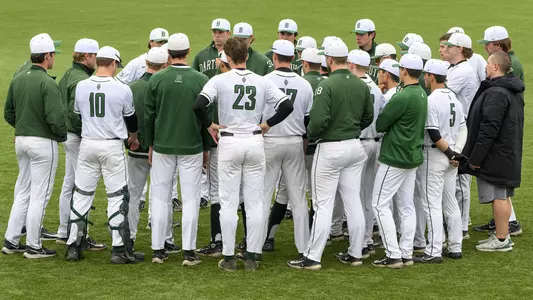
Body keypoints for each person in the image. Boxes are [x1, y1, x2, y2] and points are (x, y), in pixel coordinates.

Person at [193, 37, 293, 272]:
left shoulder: (219, 80)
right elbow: (287, 106)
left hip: (229, 142)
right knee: (255, 203)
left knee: (228, 203)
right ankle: (251, 256)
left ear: (227, 58)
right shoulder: (262, 81)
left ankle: (228, 257)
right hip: (255, 141)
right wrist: (267, 124)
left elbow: (198, 105)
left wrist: (210, 124)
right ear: (247, 56)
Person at [288, 39, 373, 270]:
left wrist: (314, 135)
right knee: (353, 202)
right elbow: (368, 116)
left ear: (328, 60)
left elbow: (317, 121)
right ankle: (356, 252)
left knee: (323, 204)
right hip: (355, 147)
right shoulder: (361, 84)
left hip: (330, 148)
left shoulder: (325, 86)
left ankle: (312, 257)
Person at [65, 46, 140, 264]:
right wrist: (133, 136)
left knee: (82, 194)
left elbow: (77, 115)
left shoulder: (81, 86)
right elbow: (131, 119)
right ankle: (118, 249)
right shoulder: (122, 88)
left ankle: (73, 246)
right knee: (117, 195)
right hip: (112, 146)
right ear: (114, 63)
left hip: (87, 144)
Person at [145, 33, 210, 266]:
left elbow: (149, 116)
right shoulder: (201, 79)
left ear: (168, 54)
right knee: (191, 198)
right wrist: (206, 147)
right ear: (188, 51)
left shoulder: (157, 79)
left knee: (160, 197)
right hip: (192, 146)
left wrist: (150, 144)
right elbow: (206, 117)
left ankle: (157, 250)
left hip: (162, 145)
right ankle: (189, 252)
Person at [2, 34, 67, 258]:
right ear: (47, 55)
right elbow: (57, 118)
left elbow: (8, 112)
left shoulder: (19, 78)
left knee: (23, 191)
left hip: (21, 141)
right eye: (53, 55)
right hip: (42, 143)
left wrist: (22, 126)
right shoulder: (47, 82)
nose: (54, 59)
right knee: (40, 194)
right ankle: (33, 246)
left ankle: (11, 241)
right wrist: (60, 135)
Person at [261, 47, 324, 252]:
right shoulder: (305, 84)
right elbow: (307, 121)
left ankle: (257, 244)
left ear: (275, 56)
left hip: (269, 141)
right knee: (298, 199)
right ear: (294, 59)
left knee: (263, 196)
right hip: (295, 142)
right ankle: (303, 247)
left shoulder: (265, 80)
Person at [461, 52, 524, 252]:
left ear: (496, 67)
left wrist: (476, 157)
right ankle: (502, 235)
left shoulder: (497, 92)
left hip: (497, 153)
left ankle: (501, 238)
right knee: (502, 195)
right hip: (505, 151)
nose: (486, 67)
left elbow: (489, 128)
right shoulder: (509, 89)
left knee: (498, 195)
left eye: (488, 64)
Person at [371, 54, 427, 269]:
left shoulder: (402, 97)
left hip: (395, 156)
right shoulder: (421, 93)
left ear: (404, 71)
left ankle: (393, 254)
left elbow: (381, 124)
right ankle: (406, 252)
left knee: (378, 204)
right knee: (406, 206)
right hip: (412, 155)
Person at [55, 38, 106, 251]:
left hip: (68, 136)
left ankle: (64, 230)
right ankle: (77, 235)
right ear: (86, 56)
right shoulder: (79, 79)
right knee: (81, 187)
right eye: (94, 56)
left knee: (70, 183)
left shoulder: (69, 73)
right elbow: (74, 112)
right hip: (77, 136)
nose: (96, 60)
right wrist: (85, 133)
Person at [414, 59, 466, 263]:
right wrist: (456, 153)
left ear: (431, 76)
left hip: (436, 156)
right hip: (451, 157)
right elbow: (464, 128)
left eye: (426, 75)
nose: (424, 78)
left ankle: (434, 251)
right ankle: (455, 246)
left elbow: (433, 133)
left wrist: (451, 154)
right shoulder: (454, 98)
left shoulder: (431, 100)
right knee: (450, 202)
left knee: (431, 204)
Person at [473, 25, 524, 235]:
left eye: (487, 44)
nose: (485, 48)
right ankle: (504, 223)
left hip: (505, 126)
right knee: (501, 187)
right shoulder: (512, 61)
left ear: (497, 44)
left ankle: (509, 224)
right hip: (507, 123)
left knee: (500, 186)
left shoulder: (509, 66)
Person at [127, 47, 168, 249]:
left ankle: (129, 238)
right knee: (162, 196)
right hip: (160, 148)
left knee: (133, 196)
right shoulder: (165, 86)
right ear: (164, 65)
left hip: (136, 148)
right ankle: (164, 240)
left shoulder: (132, 87)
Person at [346, 49, 385, 258]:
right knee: (368, 194)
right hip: (374, 143)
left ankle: (359, 243)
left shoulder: (354, 87)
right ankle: (368, 239)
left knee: (355, 195)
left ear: (352, 65)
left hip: (357, 144)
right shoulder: (377, 90)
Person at [441, 32, 479, 239]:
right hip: (454, 128)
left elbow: (442, 92)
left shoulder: (463, 71)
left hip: (462, 129)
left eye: (450, 46)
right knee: (454, 180)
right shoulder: (454, 68)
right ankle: (455, 223)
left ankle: (462, 226)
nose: (445, 49)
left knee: (461, 181)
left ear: (460, 49)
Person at [195, 51, 232, 258]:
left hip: (221, 143)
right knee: (246, 195)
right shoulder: (254, 80)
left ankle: (218, 241)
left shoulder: (217, 83)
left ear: (221, 62)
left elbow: (202, 109)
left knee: (218, 192)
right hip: (248, 142)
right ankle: (251, 245)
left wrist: (206, 146)